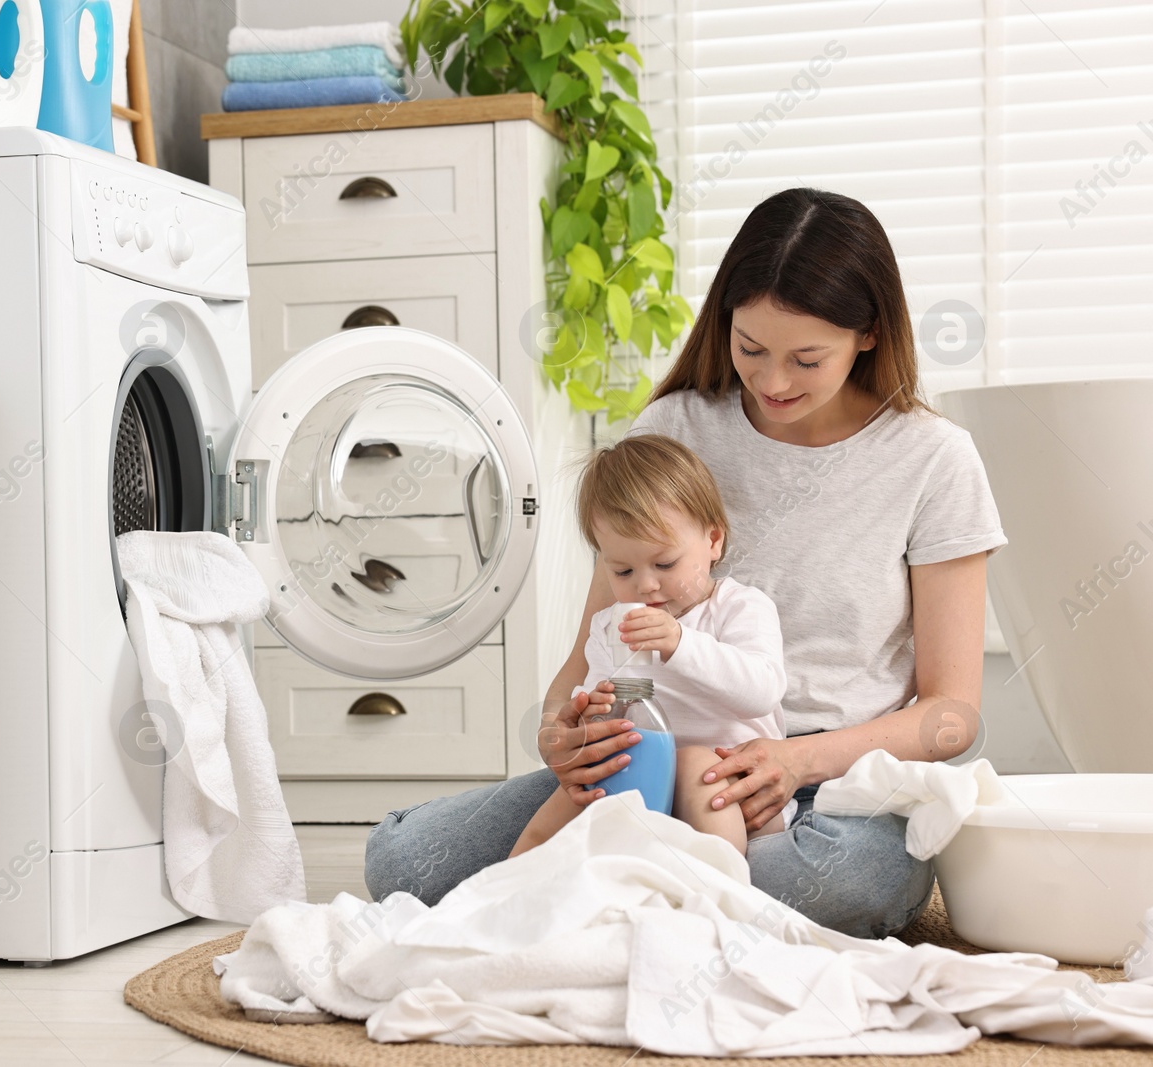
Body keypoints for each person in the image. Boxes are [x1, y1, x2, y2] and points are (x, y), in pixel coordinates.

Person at [363, 187, 1008, 938]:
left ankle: (619, 883)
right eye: (750, 348)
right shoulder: (675, 428)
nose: (771, 382)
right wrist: (559, 735)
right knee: (403, 863)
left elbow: (951, 715)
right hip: (654, 758)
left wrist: (794, 761)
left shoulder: (932, 459)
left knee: (840, 887)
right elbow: (589, 652)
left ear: (867, 335)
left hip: (828, 789)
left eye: (806, 358)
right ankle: (659, 881)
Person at [508, 434, 793, 858]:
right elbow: (599, 700)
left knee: (697, 764)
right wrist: (591, 710)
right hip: (644, 777)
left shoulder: (738, 607)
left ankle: (720, 900)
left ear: (713, 541)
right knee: (572, 794)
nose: (645, 585)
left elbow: (763, 691)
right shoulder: (609, 626)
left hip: (734, 790)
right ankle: (510, 893)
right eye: (622, 570)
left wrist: (681, 644)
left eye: (665, 564)